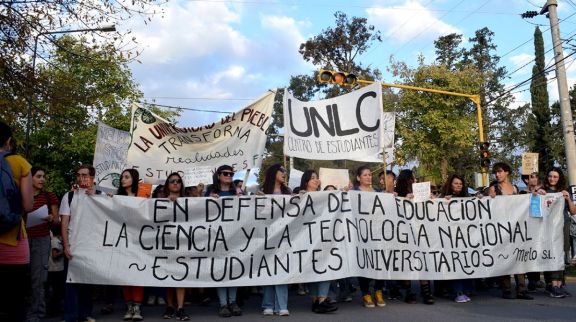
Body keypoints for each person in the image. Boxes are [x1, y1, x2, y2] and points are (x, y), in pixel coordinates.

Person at [0, 121, 33, 322]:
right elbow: (28, 205)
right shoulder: (19, 163)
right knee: (15, 301)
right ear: (9, 140)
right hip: (12, 240)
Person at [60, 164, 100, 322]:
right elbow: (64, 223)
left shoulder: (100, 196)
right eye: (79, 175)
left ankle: (85, 314)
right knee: (70, 282)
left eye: (85, 175)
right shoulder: (69, 196)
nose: (81, 178)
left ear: (92, 178)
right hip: (73, 244)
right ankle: (70, 315)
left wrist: (96, 196)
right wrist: (66, 245)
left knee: (87, 281)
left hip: (91, 245)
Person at [488, 162, 533, 300]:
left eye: (500, 171)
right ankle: (506, 288)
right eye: (496, 172)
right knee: (504, 258)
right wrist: (490, 197)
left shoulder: (515, 188)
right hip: (501, 229)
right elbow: (486, 202)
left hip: (516, 229)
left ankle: (521, 289)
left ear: (507, 172)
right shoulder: (494, 188)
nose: (498, 174)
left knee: (519, 257)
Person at [299, 169, 339, 313]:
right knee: (312, 270)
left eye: (317, 178)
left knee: (325, 266)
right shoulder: (300, 196)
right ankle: (315, 300)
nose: (316, 180)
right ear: (306, 182)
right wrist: (299, 198)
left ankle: (322, 299)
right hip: (307, 239)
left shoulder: (324, 196)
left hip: (324, 238)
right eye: (312, 178)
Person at [393, 169, 435, 305]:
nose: (415, 181)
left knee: (422, 259)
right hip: (404, 234)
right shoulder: (398, 194)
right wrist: (403, 199)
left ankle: (426, 291)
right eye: (413, 178)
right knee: (407, 262)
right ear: (406, 180)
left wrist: (432, 199)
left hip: (420, 232)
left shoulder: (420, 192)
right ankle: (408, 291)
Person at [206, 165, 242, 318]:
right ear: (218, 175)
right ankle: (223, 304)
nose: (229, 175)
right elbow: (199, 211)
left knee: (233, 269)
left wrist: (245, 199)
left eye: (231, 174)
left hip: (234, 236)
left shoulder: (238, 193)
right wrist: (207, 200)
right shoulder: (210, 193)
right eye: (226, 173)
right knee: (221, 269)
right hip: (217, 237)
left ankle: (233, 302)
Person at [536, 167, 576, 298]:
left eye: (555, 177)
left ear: (559, 179)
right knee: (551, 253)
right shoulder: (543, 191)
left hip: (563, 224)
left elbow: (573, 211)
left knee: (561, 253)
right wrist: (537, 192)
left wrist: (568, 198)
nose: (552, 179)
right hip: (548, 227)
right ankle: (552, 285)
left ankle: (559, 284)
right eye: (550, 176)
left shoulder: (564, 191)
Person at [26, 167, 59, 321]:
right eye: (38, 176)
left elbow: (57, 221)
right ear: (30, 178)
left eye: (43, 176)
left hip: (41, 239)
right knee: (23, 278)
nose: (42, 179)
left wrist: (52, 218)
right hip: (22, 240)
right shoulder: (23, 195)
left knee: (39, 279)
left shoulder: (49, 196)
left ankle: (37, 314)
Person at [352, 165, 386, 308]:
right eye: (365, 175)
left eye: (370, 175)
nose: (368, 177)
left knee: (381, 262)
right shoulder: (353, 192)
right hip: (361, 234)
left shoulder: (378, 191)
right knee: (364, 261)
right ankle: (366, 293)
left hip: (378, 232)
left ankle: (378, 291)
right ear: (359, 178)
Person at [259, 164, 291, 316]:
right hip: (267, 235)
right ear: (274, 173)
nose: (285, 173)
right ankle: (268, 304)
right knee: (268, 269)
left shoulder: (288, 192)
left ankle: (282, 305)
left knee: (281, 269)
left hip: (284, 236)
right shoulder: (262, 192)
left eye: (285, 171)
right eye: (282, 171)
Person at [439, 175, 474, 303]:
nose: (459, 185)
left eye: (461, 183)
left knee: (466, 262)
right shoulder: (444, 198)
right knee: (456, 263)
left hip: (466, 238)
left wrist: (480, 200)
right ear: (450, 185)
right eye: (456, 183)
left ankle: (466, 289)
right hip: (451, 239)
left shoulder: (468, 199)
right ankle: (458, 291)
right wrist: (443, 200)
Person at [160, 173, 191, 321]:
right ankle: (170, 305)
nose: (175, 183)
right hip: (166, 243)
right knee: (168, 275)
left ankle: (180, 307)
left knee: (180, 274)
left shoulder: (189, 202)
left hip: (183, 242)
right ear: (167, 185)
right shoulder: (159, 202)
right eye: (172, 181)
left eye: (178, 181)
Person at [117, 169, 145, 321]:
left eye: (126, 177)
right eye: (122, 177)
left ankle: (137, 306)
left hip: (139, 241)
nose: (123, 179)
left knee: (137, 273)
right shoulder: (116, 198)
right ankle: (129, 306)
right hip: (122, 241)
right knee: (125, 275)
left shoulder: (143, 196)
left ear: (134, 179)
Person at [519, 172, 545, 292]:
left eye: (535, 176)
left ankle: (536, 279)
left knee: (537, 252)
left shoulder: (542, 191)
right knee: (528, 253)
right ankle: (531, 280)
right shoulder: (522, 192)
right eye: (532, 177)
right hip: (527, 227)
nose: (535, 179)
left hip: (539, 225)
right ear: (526, 180)